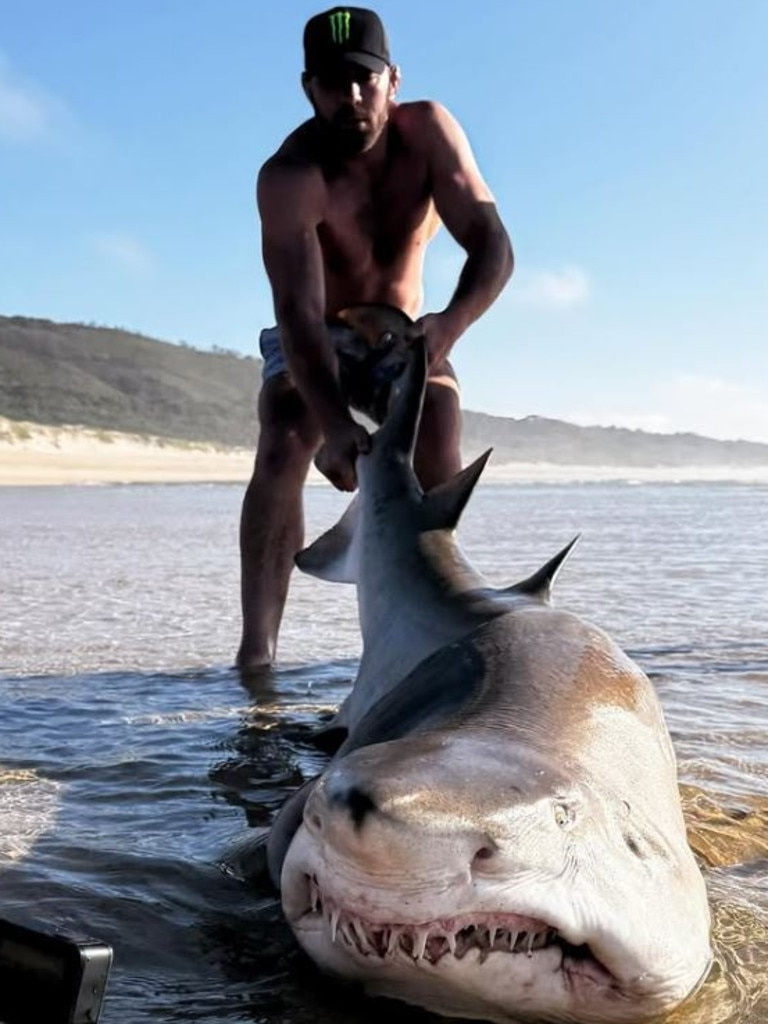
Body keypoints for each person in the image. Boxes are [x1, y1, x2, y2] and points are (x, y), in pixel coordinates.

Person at [237, 6, 513, 670]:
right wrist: (333, 423)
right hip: (318, 330)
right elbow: (299, 315)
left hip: (402, 330)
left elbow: (492, 247)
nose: (351, 97)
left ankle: (426, 626)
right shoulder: (290, 176)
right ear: (309, 88)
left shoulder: (430, 134)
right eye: (333, 83)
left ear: (393, 79)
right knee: (284, 429)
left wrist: (449, 324)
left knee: (439, 418)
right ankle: (257, 651)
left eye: (364, 80)